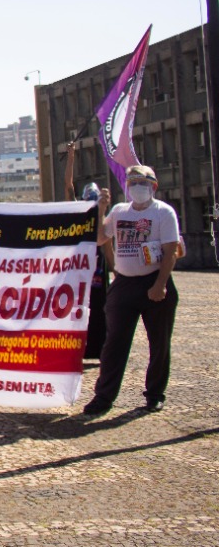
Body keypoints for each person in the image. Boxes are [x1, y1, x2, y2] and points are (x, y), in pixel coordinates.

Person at [83, 165, 181, 416]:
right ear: (126, 188)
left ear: (153, 187)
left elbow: (171, 252)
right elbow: (99, 239)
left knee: (159, 344)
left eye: (143, 183)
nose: (138, 188)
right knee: (114, 343)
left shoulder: (164, 213)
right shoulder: (118, 211)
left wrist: (160, 285)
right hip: (124, 283)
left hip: (155, 281)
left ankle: (155, 394)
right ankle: (104, 396)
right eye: (133, 183)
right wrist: (102, 209)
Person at [63, 141, 111, 360]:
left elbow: (107, 243)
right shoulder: (77, 215)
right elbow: (68, 186)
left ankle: (100, 348)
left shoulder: (102, 217)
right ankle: (81, 347)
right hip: (81, 270)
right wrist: (71, 157)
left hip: (99, 271)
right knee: (80, 310)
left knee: (101, 310)